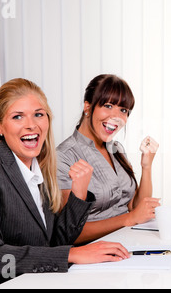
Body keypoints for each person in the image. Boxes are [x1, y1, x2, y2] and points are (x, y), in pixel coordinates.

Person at [0, 78, 129, 289]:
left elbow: (53, 243)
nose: (31, 125)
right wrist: (72, 254)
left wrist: (79, 196)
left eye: (38, 114)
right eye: (18, 116)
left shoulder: (40, 167)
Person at [56, 74, 160, 242]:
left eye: (123, 110)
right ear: (88, 107)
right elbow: (71, 232)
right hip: (93, 252)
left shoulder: (116, 149)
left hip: (127, 240)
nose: (117, 117)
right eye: (108, 105)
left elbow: (135, 206)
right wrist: (129, 219)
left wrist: (146, 167)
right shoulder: (63, 157)